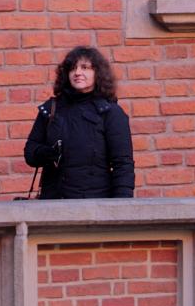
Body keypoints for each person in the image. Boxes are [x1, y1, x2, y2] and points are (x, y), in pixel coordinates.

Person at [24, 46, 134, 199]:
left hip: (95, 204)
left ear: (98, 73)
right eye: (72, 68)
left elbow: (122, 164)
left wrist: (122, 206)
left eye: (85, 68)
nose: (77, 73)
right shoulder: (52, 108)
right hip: (52, 204)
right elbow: (30, 153)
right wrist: (48, 153)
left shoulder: (110, 113)